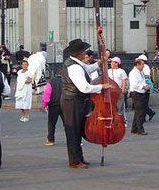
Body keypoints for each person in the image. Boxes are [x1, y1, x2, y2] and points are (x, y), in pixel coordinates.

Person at [60, 39, 110, 169]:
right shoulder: (74, 67)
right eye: (83, 51)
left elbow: (88, 68)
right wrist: (102, 86)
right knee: (73, 131)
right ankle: (75, 161)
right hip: (73, 101)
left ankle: (79, 158)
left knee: (76, 131)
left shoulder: (76, 63)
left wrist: (100, 63)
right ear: (78, 54)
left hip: (74, 100)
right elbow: (85, 88)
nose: (85, 53)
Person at [41, 69, 63, 146]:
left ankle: (50, 139)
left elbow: (47, 94)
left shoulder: (51, 81)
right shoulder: (67, 81)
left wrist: (44, 105)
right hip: (65, 104)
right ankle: (74, 140)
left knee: (51, 123)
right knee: (68, 123)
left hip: (54, 105)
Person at [129, 59, 150, 135]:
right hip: (137, 93)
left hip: (142, 93)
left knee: (138, 112)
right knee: (140, 112)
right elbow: (134, 84)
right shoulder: (133, 73)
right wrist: (143, 87)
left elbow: (142, 81)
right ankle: (140, 129)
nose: (143, 66)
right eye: (142, 64)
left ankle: (134, 128)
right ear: (137, 64)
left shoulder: (140, 72)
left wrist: (146, 85)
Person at [108, 57, 127, 123]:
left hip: (119, 90)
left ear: (117, 63)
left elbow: (124, 80)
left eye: (113, 62)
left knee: (120, 106)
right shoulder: (108, 71)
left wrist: (123, 89)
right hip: (110, 91)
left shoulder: (121, 71)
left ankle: (121, 120)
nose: (111, 63)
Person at [137, 54, 156, 122]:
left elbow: (147, 76)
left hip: (146, 85)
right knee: (143, 102)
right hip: (144, 85)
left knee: (144, 102)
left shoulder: (145, 67)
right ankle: (149, 113)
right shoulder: (142, 67)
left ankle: (145, 115)